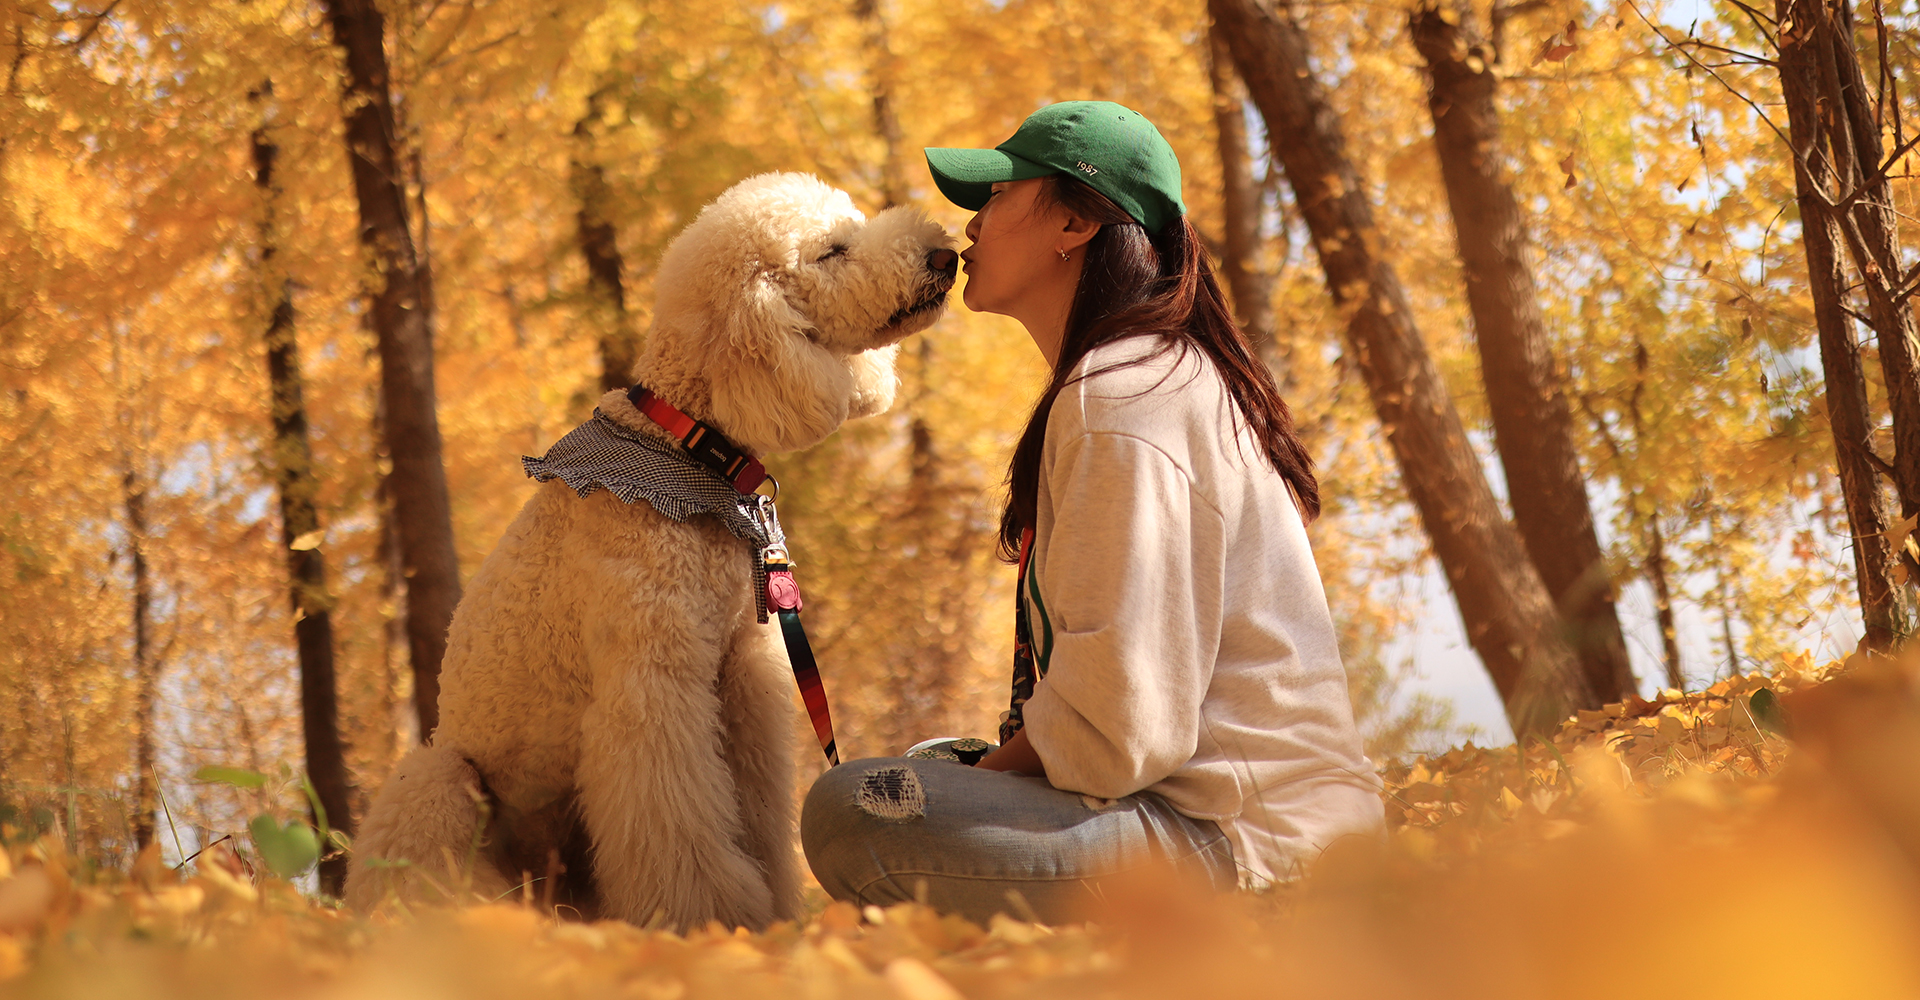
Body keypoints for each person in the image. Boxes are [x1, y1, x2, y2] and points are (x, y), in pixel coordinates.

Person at [800, 100, 1384, 925]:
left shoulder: (1124, 399)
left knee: (855, 808)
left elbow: (1120, 731)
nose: (970, 225)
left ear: (1073, 222)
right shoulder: (1137, 376)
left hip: (1248, 846)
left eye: (998, 194)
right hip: (1231, 823)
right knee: (909, 784)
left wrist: (977, 782)